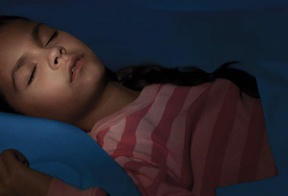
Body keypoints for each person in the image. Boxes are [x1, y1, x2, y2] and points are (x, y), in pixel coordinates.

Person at [0, 16, 277, 196]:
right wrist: (44, 190)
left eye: (49, 36)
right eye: (31, 74)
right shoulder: (121, 149)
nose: (53, 53)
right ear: (28, 120)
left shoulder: (147, 81)